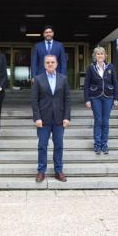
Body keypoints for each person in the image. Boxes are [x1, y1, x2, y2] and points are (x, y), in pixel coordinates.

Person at [31, 55, 71, 183]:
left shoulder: (63, 79)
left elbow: (67, 100)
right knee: (42, 146)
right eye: (47, 62)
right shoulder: (38, 79)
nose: (50, 64)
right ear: (44, 65)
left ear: (57, 64)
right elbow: (34, 100)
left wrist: (67, 117)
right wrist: (37, 117)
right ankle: (41, 171)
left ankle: (58, 171)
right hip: (43, 119)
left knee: (59, 145)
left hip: (59, 119)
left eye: (52, 62)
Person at [83, 46, 118, 155]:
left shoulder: (110, 67)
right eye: (98, 54)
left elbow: (115, 83)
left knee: (105, 121)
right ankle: (97, 145)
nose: (100, 56)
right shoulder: (91, 68)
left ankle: (105, 144)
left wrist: (116, 98)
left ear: (105, 56)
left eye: (102, 54)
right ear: (95, 56)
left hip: (108, 96)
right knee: (98, 121)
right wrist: (87, 99)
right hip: (95, 97)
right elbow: (86, 85)